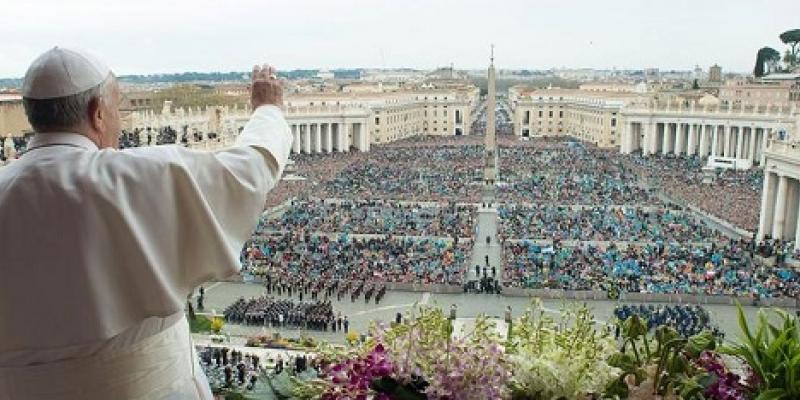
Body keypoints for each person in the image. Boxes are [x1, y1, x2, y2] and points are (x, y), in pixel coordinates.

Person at [0, 47, 291, 400]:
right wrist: (268, 110)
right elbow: (250, 170)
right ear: (98, 114)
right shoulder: (138, 175)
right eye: (117, 108)